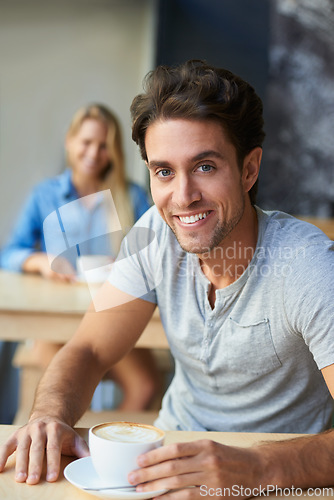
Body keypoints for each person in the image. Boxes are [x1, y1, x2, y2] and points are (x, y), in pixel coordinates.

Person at [1, 61, 333, 497]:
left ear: (249, 170)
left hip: (277, 477)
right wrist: (49, 415)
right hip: (168, 454)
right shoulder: (153, 234)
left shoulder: (307, 265)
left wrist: (256, 469)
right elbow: (89, 347)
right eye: (164, 171)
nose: (183, 196)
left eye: (206, 167)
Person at [0, 103, 160, 412]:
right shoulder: (44, 195)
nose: (94, 152)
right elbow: (10, 253)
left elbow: (152, 251)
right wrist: (39, 262)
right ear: (70, 142)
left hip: (112, 313)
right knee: (61, 395)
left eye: (104, 145)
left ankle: (105, 441)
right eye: (86, 142)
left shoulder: (133, 195)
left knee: (146, 386)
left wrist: (127, 263)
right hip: (55, 316)